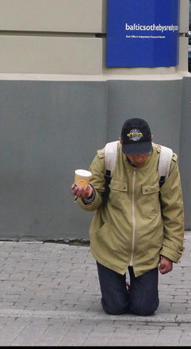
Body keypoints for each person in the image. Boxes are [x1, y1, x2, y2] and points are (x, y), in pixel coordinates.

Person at [71, 118, 185, 316]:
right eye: (132, 154)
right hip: (111, 247)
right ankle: (116, 288)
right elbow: (94, 201)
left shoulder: (166, 162)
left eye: (143, 151)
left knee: (144, 308)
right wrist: (88, 195)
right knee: (115, 308)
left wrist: (170, 253)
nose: (139, 158)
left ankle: (134, 289)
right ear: (121, 144)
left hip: (147, 250)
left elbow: (174, 211)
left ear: (151, 140)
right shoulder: (106, 157)